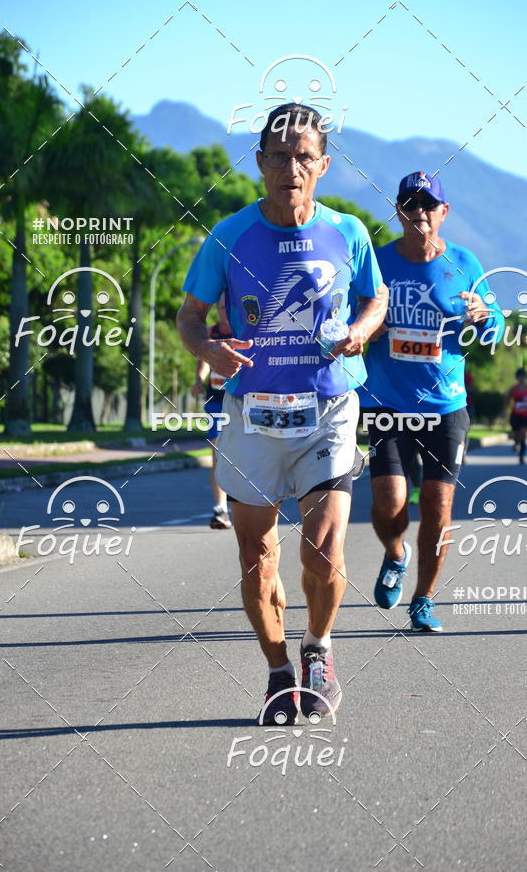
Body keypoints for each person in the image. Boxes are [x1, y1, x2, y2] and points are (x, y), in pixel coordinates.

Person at [177, 103, 387, 724]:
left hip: (328, 408)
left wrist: (361, 330)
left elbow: (375, 299)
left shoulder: (349, 233)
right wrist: (206, 346)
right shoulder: (228, 236)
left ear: (322, 165)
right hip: (251, 414)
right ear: (260, 163)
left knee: (323, 548)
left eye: (303, 157)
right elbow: (190, 315)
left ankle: (318, 650)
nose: (290, 168)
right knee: (255, 555)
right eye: (277, 156)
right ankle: (276, 672)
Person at [359, 171, 504, 632]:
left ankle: (423, 600)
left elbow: (493, 320)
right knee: (389, 502)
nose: (418, 213)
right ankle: (395, 554)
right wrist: (368, 328)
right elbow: (350, 315)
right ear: (399, 211)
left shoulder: (464, 263)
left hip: (445, 405)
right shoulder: (377, 263)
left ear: (444, 212)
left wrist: (486, 316)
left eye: (428, 205)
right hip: (386, 401)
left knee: (439, 507)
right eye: (409, 205)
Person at [191, 295, 233, 529]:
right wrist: (199, 379)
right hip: (217, 401)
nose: (224, 311)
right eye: (221, 307)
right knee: (218, 453)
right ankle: (220, 510)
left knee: (244, 452)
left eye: (228, 307)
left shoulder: (242, 331)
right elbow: (205, 360)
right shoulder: (212, 332)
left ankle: (247, 503)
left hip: (241, 400)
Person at [506, 368, 527, 464]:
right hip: (516, 414)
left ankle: (521, 456)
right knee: (517, 434)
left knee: (523, 434)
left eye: (523, 376)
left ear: (525, 377)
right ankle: (516, 443)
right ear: (517, 377)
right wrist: (504, 411)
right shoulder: (513, 389)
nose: (521, 378)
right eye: (519, 376)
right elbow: (507, 399)